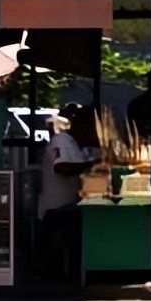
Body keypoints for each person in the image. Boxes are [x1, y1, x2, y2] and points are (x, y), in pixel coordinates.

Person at [38, 104, 99, 277]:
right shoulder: (62, 141)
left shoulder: (76, 145)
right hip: (56, 211)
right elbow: (62, 168)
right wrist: (89, 166)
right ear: (83, 127)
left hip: (70, 205)